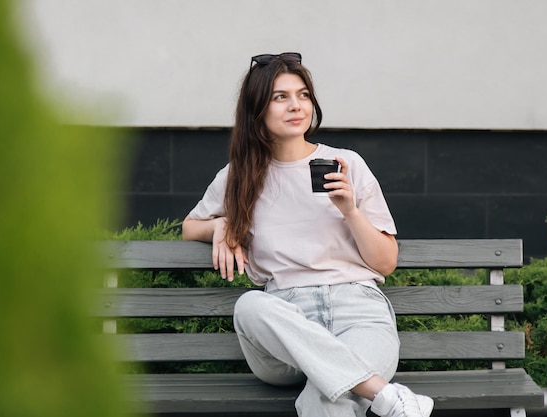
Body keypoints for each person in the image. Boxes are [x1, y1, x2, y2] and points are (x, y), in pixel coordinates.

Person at [182, 52, 434, 417]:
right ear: (257, 110)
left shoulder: (348, 164)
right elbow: (190, 228)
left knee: (325, 397)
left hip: (358, 315)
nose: (296, 106)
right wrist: (221, 224)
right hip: (284, 327)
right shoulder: (239, 176)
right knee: (250, 306)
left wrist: (349, 210)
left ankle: (368, 390)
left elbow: (385, 262)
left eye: (302, 95)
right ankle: (384, 394)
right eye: (279, 97)